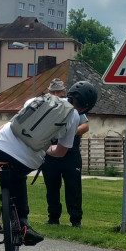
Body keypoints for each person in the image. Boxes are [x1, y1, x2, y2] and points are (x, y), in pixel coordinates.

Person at [0, 80, 99, 244]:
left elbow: (13, 124)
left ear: (68, 93)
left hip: (0, 146)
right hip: (28, 161)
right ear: (86, 108)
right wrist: (45, 149)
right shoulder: (74, 118)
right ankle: (23, 223)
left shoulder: (38, 99)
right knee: (18, 175)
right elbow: (60, 152)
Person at [41, 79, 90, 227]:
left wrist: (69, 132)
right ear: (48, 92)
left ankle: (76, 220)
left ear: (65, 92)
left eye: (58, 92)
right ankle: (53, 218)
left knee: (73, 188)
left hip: (71, 153)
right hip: (50, 154)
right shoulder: (44, 106)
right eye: (52, 92)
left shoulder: (72, 107)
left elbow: (86, 126)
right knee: (51, 188)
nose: (56, 94)